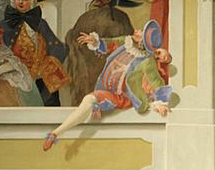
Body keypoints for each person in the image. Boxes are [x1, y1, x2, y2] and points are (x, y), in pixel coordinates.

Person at [42, 20, 172, 151]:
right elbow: (110, 42)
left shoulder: (147, 61)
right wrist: (95, 41)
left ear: (142, 41)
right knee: (89, 100)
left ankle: (56, 133)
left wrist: (159, 102)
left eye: (141, 32)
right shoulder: (127, 42)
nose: (137, 30)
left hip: (121, 96)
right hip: (106, 88)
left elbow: (156, 82)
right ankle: (54, 134)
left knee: (89, 99)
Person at [65, 0, 141, 105]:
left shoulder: (116, 18)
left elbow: (127, 45)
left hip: (99, 71)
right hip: (103, 70)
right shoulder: (120, 17)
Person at [0, 0, 70, 106]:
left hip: (41, 76)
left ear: (32, 1)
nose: (20, 2)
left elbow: (57, 46)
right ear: (13, 1)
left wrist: (49, 62)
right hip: (17, 76)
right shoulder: (6, 25)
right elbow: (0, 50)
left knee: (48, 106)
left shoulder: (40, 23)